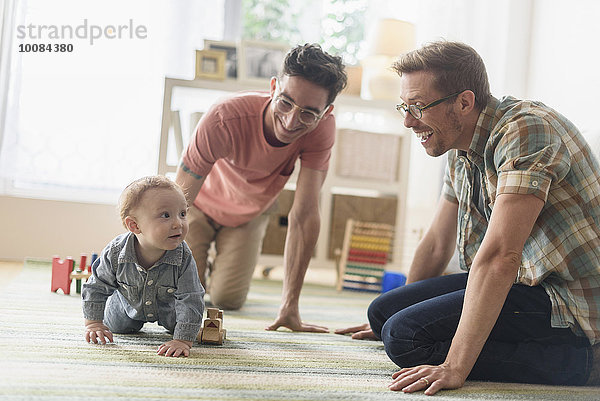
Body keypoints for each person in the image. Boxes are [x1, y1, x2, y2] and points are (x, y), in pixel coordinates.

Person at [336, 40, 600, 394]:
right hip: (528, 284)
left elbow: (500, 257)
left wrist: (455, 366)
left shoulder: (527, 131)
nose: (407, 121)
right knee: (383, 314)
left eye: (417, 107)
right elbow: (435, 243)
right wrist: (402, 313)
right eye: (404, 106)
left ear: (463, 102)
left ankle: (584, 364)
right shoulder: (458, 143)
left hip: (570, 301)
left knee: (405, 339)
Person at [175, 43, 347, 333]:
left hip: (249, 215)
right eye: (285, 102)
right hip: (198, 208)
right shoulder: (224, 117)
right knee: (185, 292)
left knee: (226, 300)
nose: (292, 121)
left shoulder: (321, 130)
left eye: (309, 113)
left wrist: (290, 305)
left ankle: (216, 264)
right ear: (272, 87)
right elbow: (177, 196)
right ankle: (201, 264)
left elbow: (304, 215)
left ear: (326, 112)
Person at [82, 176, 205, 357]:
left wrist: (183, 339)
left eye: (183, 214)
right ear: (134, 225)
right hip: (125, 309)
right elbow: (96, 286)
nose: (178, 223)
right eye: (165, 215)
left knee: (182, 326)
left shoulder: (183, 256)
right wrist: (93, 324)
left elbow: (191, 296)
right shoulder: (116, 253)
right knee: (118, 327)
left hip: (168, 310)